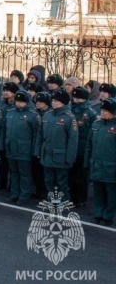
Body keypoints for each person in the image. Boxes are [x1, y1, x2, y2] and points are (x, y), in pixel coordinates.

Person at [36, 90, 79, 201]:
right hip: (47, 154)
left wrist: (70, 158)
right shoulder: (47, 115)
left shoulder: (69, 118)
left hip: (61, 156)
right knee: (48, 180)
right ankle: (51, 200)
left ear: (63, 102)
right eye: (53, 100)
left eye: (56, 101)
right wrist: (38, 151)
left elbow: (72, 140)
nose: (53, 103)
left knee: (61, 181)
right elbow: (40, 135)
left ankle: (63, 201)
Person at [4, 91, 40, 205]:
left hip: (25, 150)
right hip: (11, 148)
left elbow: (36, 135)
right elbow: (4, 130)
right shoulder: (10, 113)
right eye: (17, 101)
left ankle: (24, 195)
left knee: (24, 173)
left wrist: (35, 150)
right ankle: (15, 194)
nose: (18, 104)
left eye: (21, 102)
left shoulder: (33, 115)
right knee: (14, 172)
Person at [85, 98, 116, 226]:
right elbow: (89, 145)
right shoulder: (96, 124)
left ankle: (108, 216)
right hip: (96, 165)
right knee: (98, 192)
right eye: (102, 110)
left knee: (111, 194)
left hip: (111, 167)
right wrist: (87, 163)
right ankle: (98, 213)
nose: (102, 112)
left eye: (106, 110)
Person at [69, 86, 96, 208]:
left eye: (79, 98)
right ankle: (72, 197)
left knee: (82, 176)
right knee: (71, 174)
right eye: (74, 97)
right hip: (71, 148)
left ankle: (81, 198)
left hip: (83, 148)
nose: (76, 100)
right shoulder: (70, 109)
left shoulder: (90, 112)